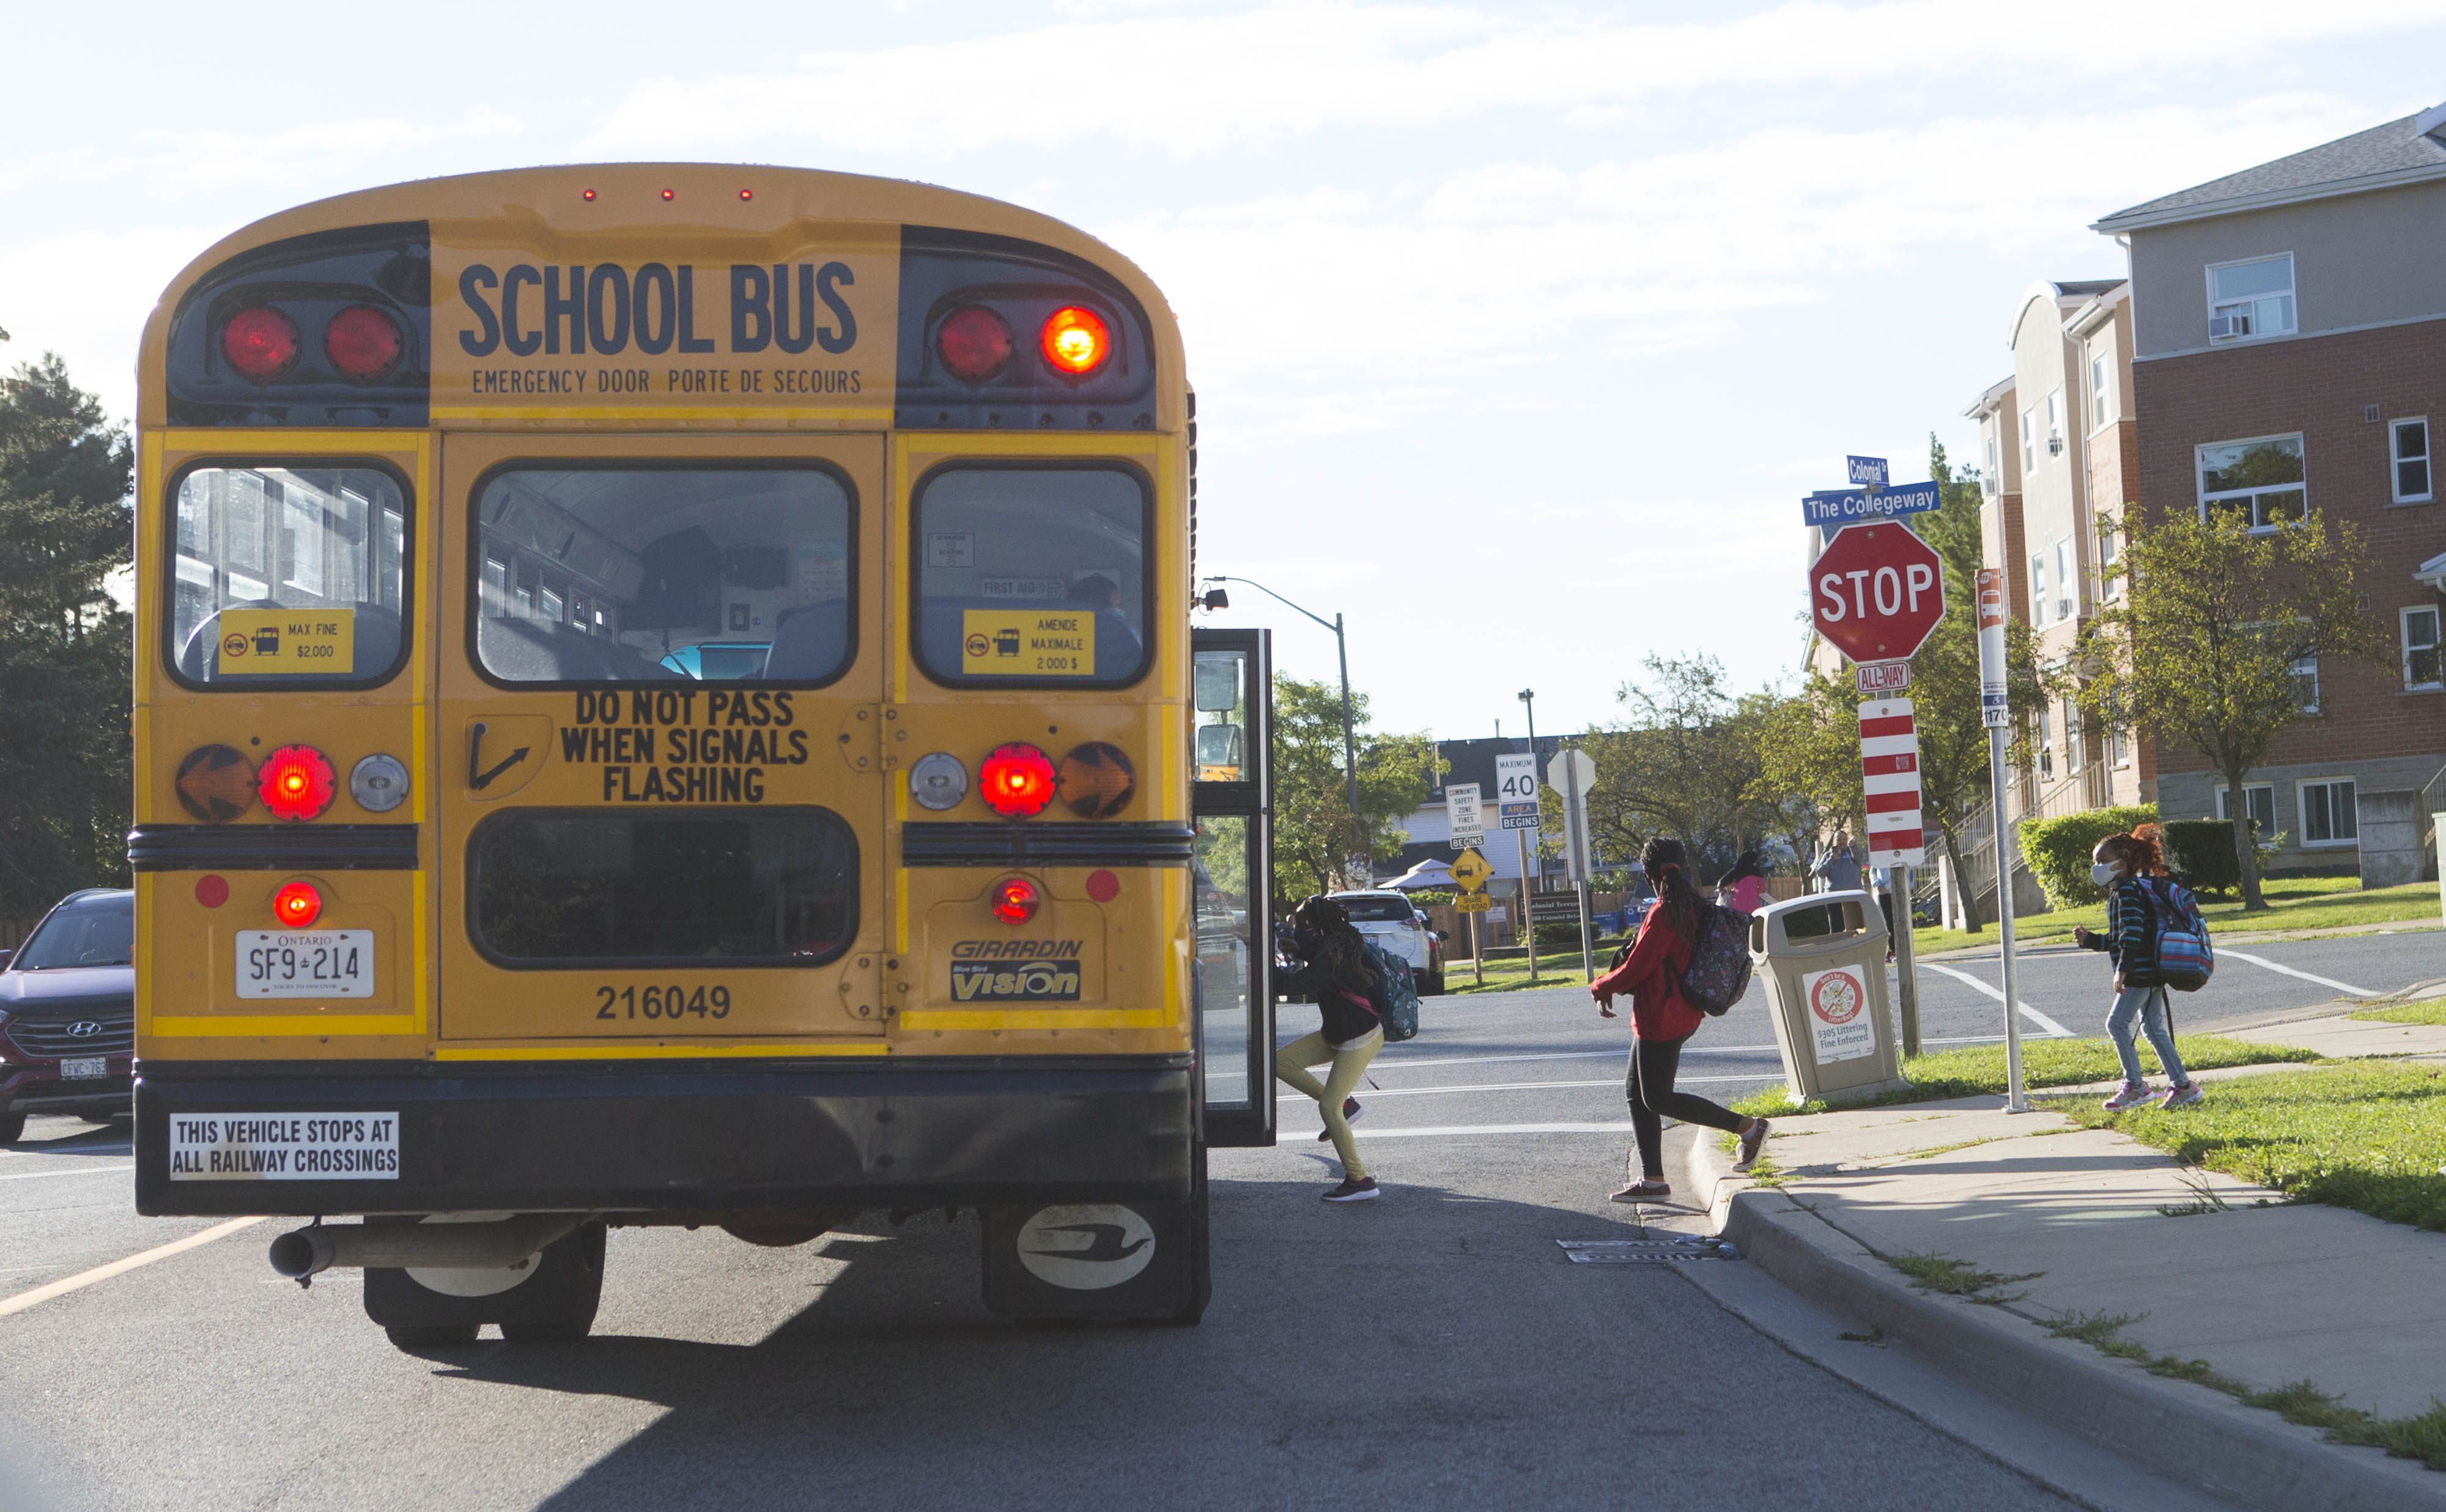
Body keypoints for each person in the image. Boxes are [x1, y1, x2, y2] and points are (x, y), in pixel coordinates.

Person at [1590, 837, 1770, 1200]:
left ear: (1647, 873)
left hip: (1663, 1016)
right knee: (1636, 1094)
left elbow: (1638, 968)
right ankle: (1654, 1180)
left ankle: (1749, 1129)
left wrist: (1599, 987)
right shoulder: (1689, 903)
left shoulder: (1665, 911)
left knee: (1657, 1098)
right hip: (1676, 1011)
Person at [2072, 824, 2202, 1110]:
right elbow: (2122, 937)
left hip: (2139, 973)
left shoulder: (2127, 893)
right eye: (2096, 862)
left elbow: (2132, 935)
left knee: (2116, 1024)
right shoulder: (2126, 890)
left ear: (2123, 863)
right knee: (2154, 1030)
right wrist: (2093, 941)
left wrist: (2123, 969)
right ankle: (2183, 1087)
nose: (2098, 868)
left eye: (2102, 862)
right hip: (2149, 970)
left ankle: (2136, 1087)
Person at [1274, 894, 1385, 1202]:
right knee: (1281, 1062)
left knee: (1328, 1108)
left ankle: (1360, 1180)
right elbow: (1320, 956)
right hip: (1339, 1033)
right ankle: (1348, 1107)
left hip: (1358, 1040)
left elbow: (1288, 986)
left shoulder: (1330, 958)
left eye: (1302, 925)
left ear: (1316, 926)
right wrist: (1299, 949)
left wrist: (1259, 963)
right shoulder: (1338, 943)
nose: (1298, 929)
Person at [1715, 851, 1767, 915]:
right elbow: (1763, 889)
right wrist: (1754, 893)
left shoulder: (1737, 870)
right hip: (1754, 905)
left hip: (1738, 904)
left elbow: (1721, 883)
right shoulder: (1757, 872)